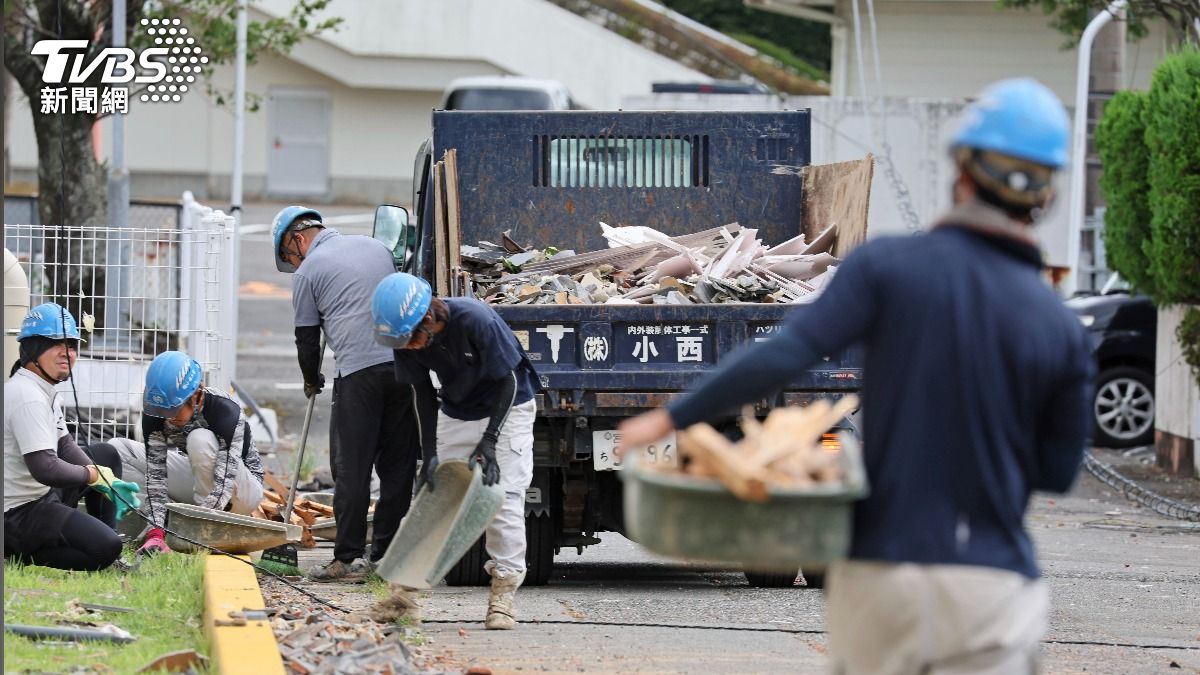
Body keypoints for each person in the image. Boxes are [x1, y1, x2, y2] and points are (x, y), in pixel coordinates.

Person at [616, 78, 1095, 674]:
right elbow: (1057, 471)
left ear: (962, 173)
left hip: (881, 572)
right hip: (990, 584)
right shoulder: (1061, 327)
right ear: (1044, 196)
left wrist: (669, 417)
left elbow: (783, 353)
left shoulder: (887, 268)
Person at [371, 272, 540, 630]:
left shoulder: (475, 319)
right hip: (457, 408)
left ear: (429, 319)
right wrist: (429, 453)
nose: (409, 347)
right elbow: (421, 393)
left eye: (412, 339)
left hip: (507, 408)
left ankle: (503, 597)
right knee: (436, 499)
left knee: (502, 498)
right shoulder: (404, 336)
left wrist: (490, 441)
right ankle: (404, 597)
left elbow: (509, 382)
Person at [272, 205, 419, 582]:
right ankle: (386, 556)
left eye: (290, 255)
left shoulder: (307, 273)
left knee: (350, 469)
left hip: (358, 373)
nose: (294, 261)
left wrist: (311, 378)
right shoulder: (376, 248)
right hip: (404, 367)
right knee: (398, 467)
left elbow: (307, 339)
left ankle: (346, 557)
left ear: (299, 239)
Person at [4, 303, 140, 571]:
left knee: (105, 455)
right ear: (32, 349)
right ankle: (18, 552)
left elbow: (64, 445)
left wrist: (103, 476)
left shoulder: (42, 388)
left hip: (39, 495)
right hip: (17, 512)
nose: (68, 353)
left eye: (73, 345)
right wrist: (92, 477)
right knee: (106, 547)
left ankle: (106, 547)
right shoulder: (27, 396)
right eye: (57, 344)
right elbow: (45, 468)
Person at [109, 350, 265, 555]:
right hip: (201, 483)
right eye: (161, 411)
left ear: (196, 395)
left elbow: (225, 482)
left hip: (240, 492)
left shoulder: (225, 409)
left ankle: (204, 530)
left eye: (173, 410)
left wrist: (198, 529)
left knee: (199, 439)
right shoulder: (156, 411)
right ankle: (161, 526)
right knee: (117, 450)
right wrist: (156, 533)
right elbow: (156, 477)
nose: (167, 417)